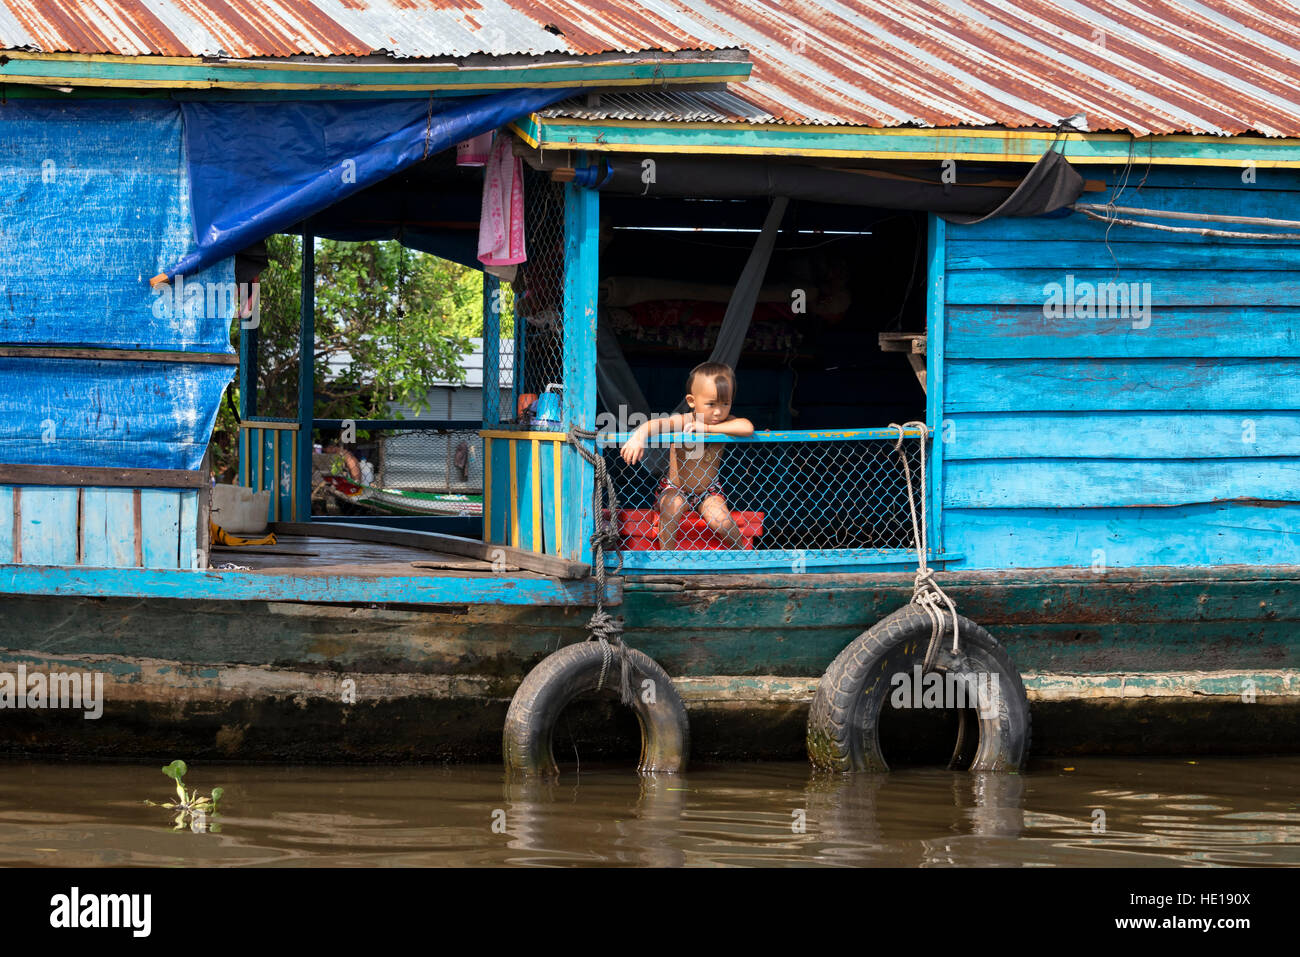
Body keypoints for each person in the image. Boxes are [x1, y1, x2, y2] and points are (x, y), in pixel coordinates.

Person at [620, 361, 754, 549]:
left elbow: (747, 427)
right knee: (671, 507)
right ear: (692, 401)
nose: (718, 411)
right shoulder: (684, 421)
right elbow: (654, 424)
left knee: (721, 520)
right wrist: (639, 436)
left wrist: (706, 428)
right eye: (711, 404)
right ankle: (667, 558)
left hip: (709, 491)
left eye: (726, 403)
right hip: (676, 488)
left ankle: (742, 555)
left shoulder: (725, 423)